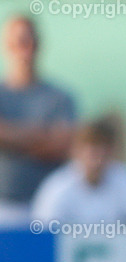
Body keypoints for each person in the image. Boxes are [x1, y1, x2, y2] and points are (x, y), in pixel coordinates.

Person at [0, 15, 77, 226]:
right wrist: (42, 135)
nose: (24, 48)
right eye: (18, 42)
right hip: (5, 205)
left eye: (29, 41)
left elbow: (62, 145)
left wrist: (11, 139)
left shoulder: (60, 97)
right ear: (7, 46)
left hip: (49, 208)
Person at [31, 118, 126, 225]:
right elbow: (43, 228)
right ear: (77, 152)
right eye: (92, 153)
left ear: (110, 152)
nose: (97, 160)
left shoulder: (125, 178)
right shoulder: (57, 187)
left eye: (102, 152)